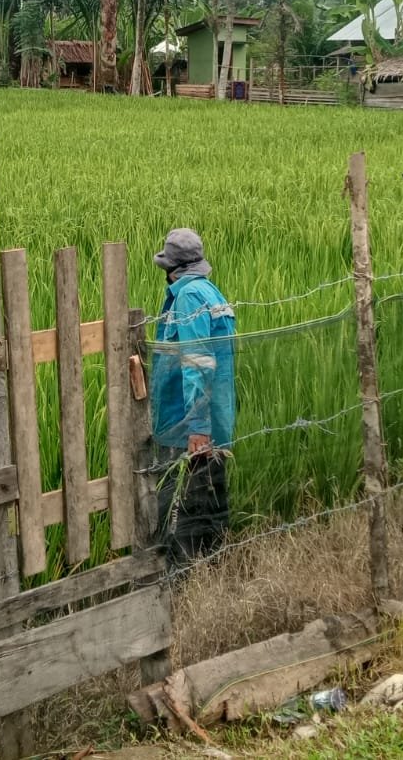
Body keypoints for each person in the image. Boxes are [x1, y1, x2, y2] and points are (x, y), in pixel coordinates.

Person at [149, 227, 236, 565]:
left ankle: (177, 577)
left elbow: (197, 363)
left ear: (172, 269)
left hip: (186, 426)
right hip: (217, 420)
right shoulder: (212, 292)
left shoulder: (187, 297)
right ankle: (215, 570)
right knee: (210, 505)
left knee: (179, 510)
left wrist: (197, 427)